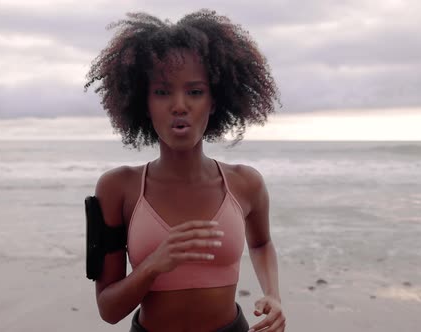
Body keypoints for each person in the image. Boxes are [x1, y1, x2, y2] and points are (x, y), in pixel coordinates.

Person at [84, 10, 285, 332]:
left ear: (215, 101)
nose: (180, 105)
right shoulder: (118, 187)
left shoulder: (245, 183)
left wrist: (273, 295)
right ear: (144, 103)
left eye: (195, 91)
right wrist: (152, 266)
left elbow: (260, 244)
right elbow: (108, 309)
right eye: (162, 92)